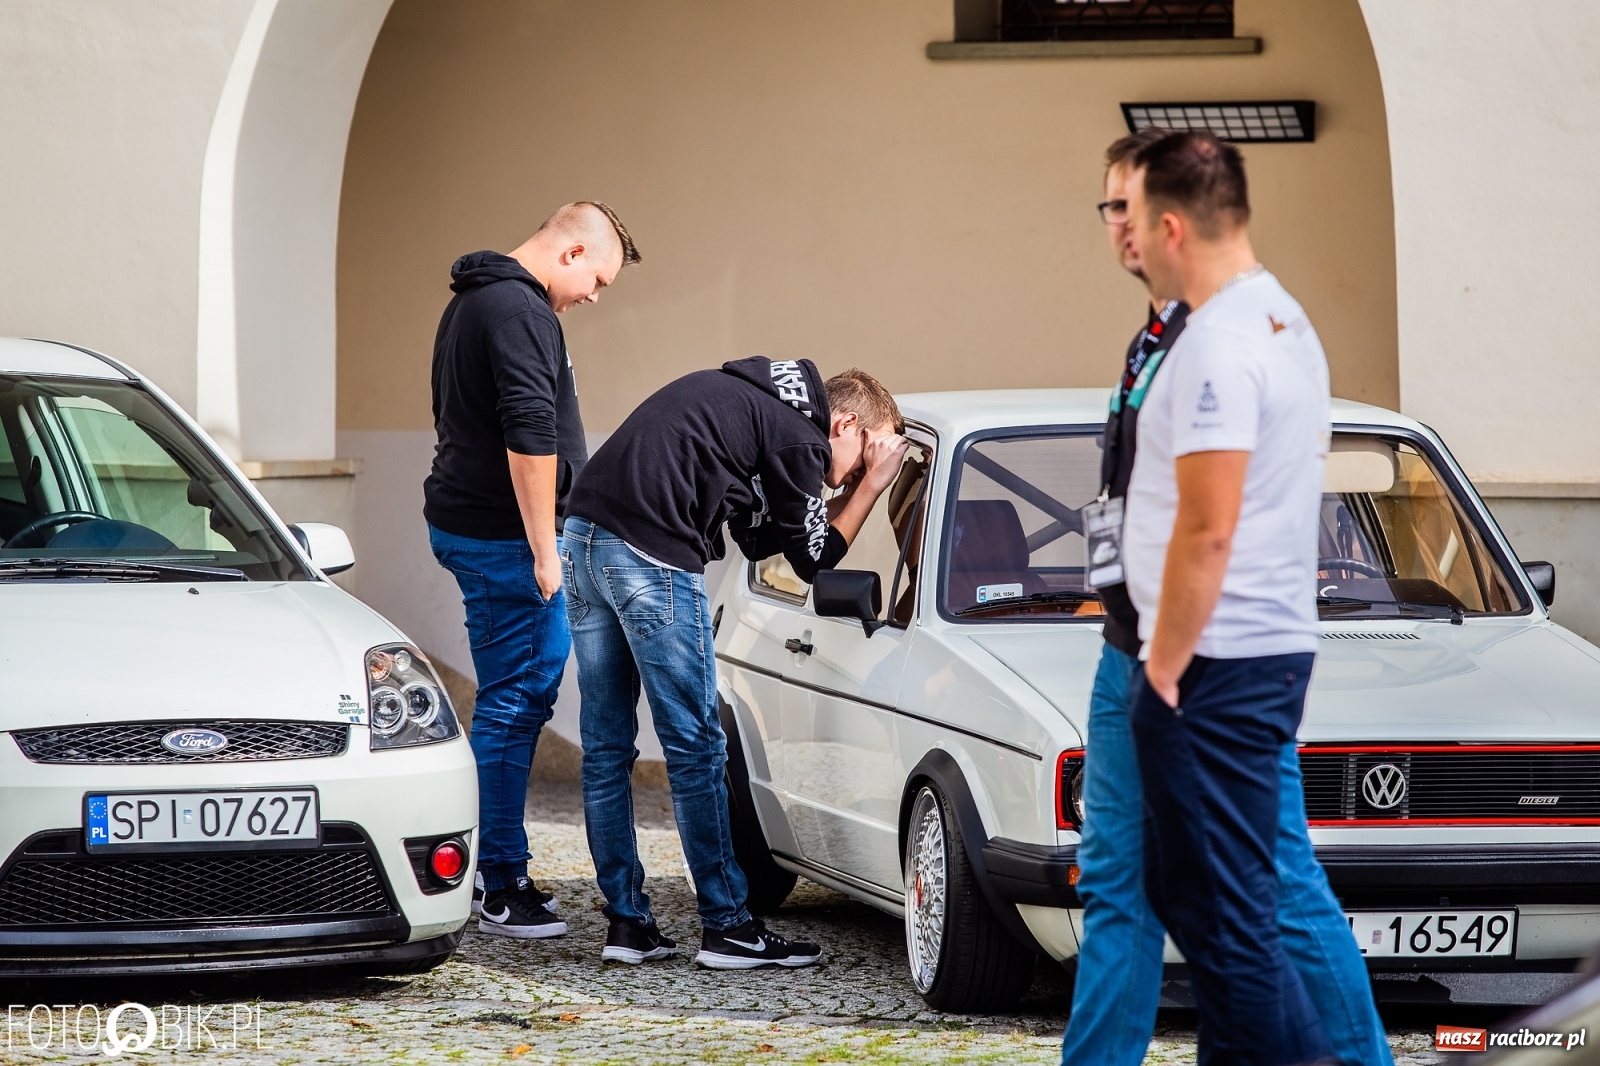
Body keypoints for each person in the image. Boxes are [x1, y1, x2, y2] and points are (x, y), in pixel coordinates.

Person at [1060, 135, 1392, 1066]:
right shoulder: (1164, 332)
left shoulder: (1221, 333)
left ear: (1171, 219)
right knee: (1131, 883)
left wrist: (1162, 662)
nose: (1120, 229)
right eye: (1108, 209)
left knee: (1261, 890)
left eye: (1130, 207)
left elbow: (1211, 522)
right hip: (1142, 642)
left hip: (1196, 652)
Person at [562, 359, 908, 968]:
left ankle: (627, 925)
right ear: (847, 422)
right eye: (858, 458)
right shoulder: (801, 435)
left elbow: (756, 538)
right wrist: (872, 487)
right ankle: (729, 927)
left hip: (584, 541)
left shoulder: (760, 409)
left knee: (606, 746)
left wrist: (849, 479)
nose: (845, 479)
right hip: (649, 552)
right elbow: (815, 560)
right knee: (697, 745)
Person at [424, 202, 640, 939]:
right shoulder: (518, 309)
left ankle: (499, 868)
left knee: (518, 700)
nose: (594, 297)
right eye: (599, 280)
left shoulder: (477, 302)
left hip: (483, 530)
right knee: (515, 703)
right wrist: (546, 548)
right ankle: (494, 881)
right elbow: (528, 433)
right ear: (573, 251)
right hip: (508, 543)